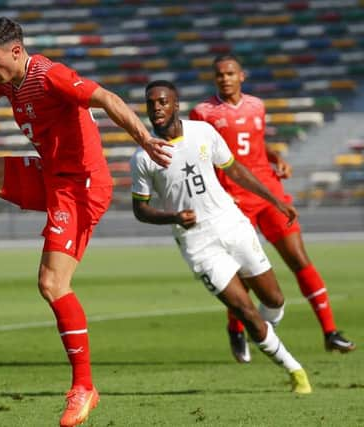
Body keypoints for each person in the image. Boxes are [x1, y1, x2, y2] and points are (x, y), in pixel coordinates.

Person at [0, 17, 170, 427]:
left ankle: (84, 388)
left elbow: (107, 98)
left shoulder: (50, 75)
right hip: (50, 173)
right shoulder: (6, 79)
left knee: (52, 284)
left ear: (16, 52)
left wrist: (144, 139)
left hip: (81, 187)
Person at [131, 80, 312, 393]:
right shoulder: (144, 156)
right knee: (245, 310)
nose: (157, 108)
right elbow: (140, 210)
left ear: (176, 104)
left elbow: (235, 169)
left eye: (162, 102)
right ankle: (295, 371)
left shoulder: (203, 132)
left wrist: (275, 199)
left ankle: (262, 335)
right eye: (151, 104)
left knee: (275, 300)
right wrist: (174, 217)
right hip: (197, 243)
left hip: (231, 223)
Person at [189, 53, 356, 363]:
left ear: (242, 76)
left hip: (268, 192)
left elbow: (252, 141)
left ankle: (330, 332)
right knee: (246, 270)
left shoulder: (257, 106)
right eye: (219, 75)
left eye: (229, 73)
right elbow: (200, 155)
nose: (224, 78)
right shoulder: (202, 113)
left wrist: (274, 156)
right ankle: (236, 328)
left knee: (299, 258)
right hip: (233, 199)